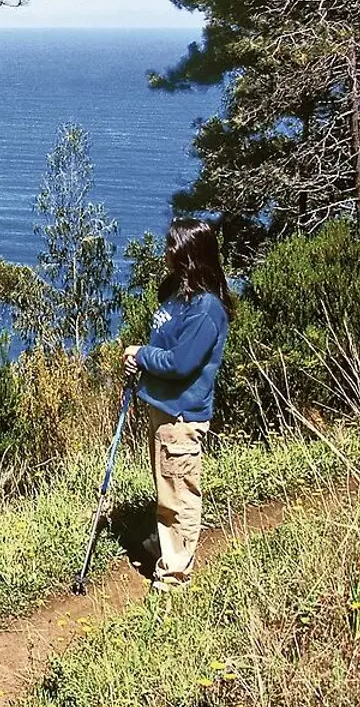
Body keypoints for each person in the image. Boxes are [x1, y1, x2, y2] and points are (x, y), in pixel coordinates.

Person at [123, 218, 232, 592]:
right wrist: (141, 359)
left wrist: (143, 354)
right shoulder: (177, 295)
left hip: (181, 414)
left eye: (172, 246)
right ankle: (167, 546)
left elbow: (180, 363)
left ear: (189, 255)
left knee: (180, 494)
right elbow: (165, 347)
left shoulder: (206, 309)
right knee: (167, 487)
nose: (166, 251)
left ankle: (174, 575)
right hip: (163, 407)